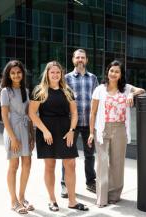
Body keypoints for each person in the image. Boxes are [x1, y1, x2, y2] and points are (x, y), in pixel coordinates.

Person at [29, 61, 88, 212]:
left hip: (65, 131)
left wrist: (72, 130)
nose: (55, 75)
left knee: (71, 165)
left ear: (61, 74)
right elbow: (32, 114)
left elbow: (74, 113)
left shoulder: (67, 90)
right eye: (52, 72)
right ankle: (52, 200)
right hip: (46, 132)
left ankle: (72, 201)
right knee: (50, 166)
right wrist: (44, 131)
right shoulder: (39, 90)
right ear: (47, 74)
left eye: (58, 72)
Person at [88, 60, 145, 207]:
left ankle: (114, 196)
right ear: (107, 72)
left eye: (117, 72)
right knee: (102, 162)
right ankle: (101, 198)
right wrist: (91, 133)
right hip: (102, 129)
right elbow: (93, 113)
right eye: (111, 70)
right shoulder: (99, 89)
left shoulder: (126, 88)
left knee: (117, 163)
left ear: (121, 75)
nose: (113, 73)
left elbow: (142, 90)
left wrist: (132, 94)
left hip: (120, 129)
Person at [61, 49, 98, 198]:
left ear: (87, 60)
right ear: (73, 60)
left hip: (88, 124)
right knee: (67, 155)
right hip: (71, 124)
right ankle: (64, 184)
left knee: (90, 155)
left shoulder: (93, 78)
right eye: (78, 57)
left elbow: (97, 101)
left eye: (83, 57)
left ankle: (91, 182)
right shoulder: (66, 78)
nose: (80, 60)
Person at [0, 60, 35, 214]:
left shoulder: (26, 90)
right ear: (8, 74)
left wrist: (32, 135)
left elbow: (29, 114)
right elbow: (4, 116)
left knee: (27, 163)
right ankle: (14, 201)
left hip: (25, 129)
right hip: (12, 129)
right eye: (12, 73)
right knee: (14, 166)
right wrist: (13, 138)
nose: (16, 75)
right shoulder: (5, 91)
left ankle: (22, 197)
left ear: (22, 73)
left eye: (18, 72)